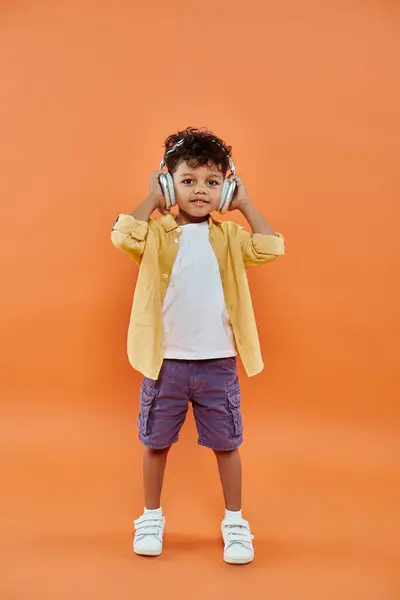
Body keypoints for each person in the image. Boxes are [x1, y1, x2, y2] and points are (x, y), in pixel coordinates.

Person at [111, 126, 284, 564]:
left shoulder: (228, 237)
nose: (200, 191)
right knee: (155, 441)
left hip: (217, 365)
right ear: (169, 184)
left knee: (227, 443)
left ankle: (235, 521)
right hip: (164, 363)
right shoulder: (154, 234)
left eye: (212, 182)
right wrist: (153, 197)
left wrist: (245, 205)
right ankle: (150, 516)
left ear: (226, 189)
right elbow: (122, 234)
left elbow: (269, 248)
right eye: (187, 181)